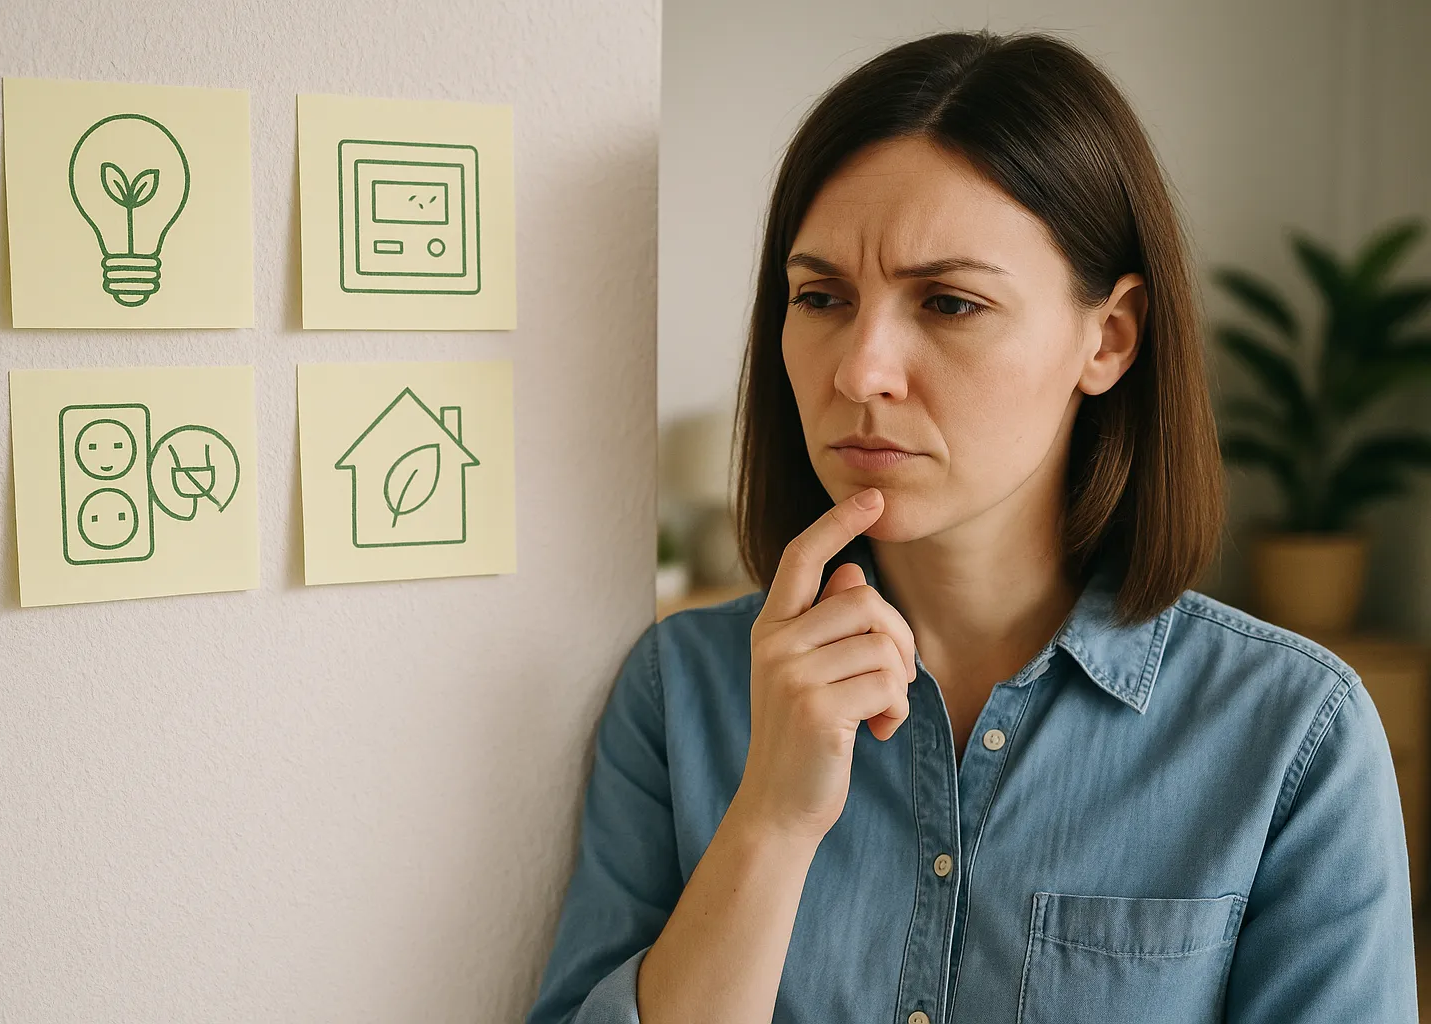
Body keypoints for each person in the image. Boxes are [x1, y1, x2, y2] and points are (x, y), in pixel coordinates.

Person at [524, 28, 1416, 1024]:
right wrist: (771, 822)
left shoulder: (1295, 734)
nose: (859, 371)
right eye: (820, 296)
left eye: (948, 302)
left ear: (1108, 339)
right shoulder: (678, 692)